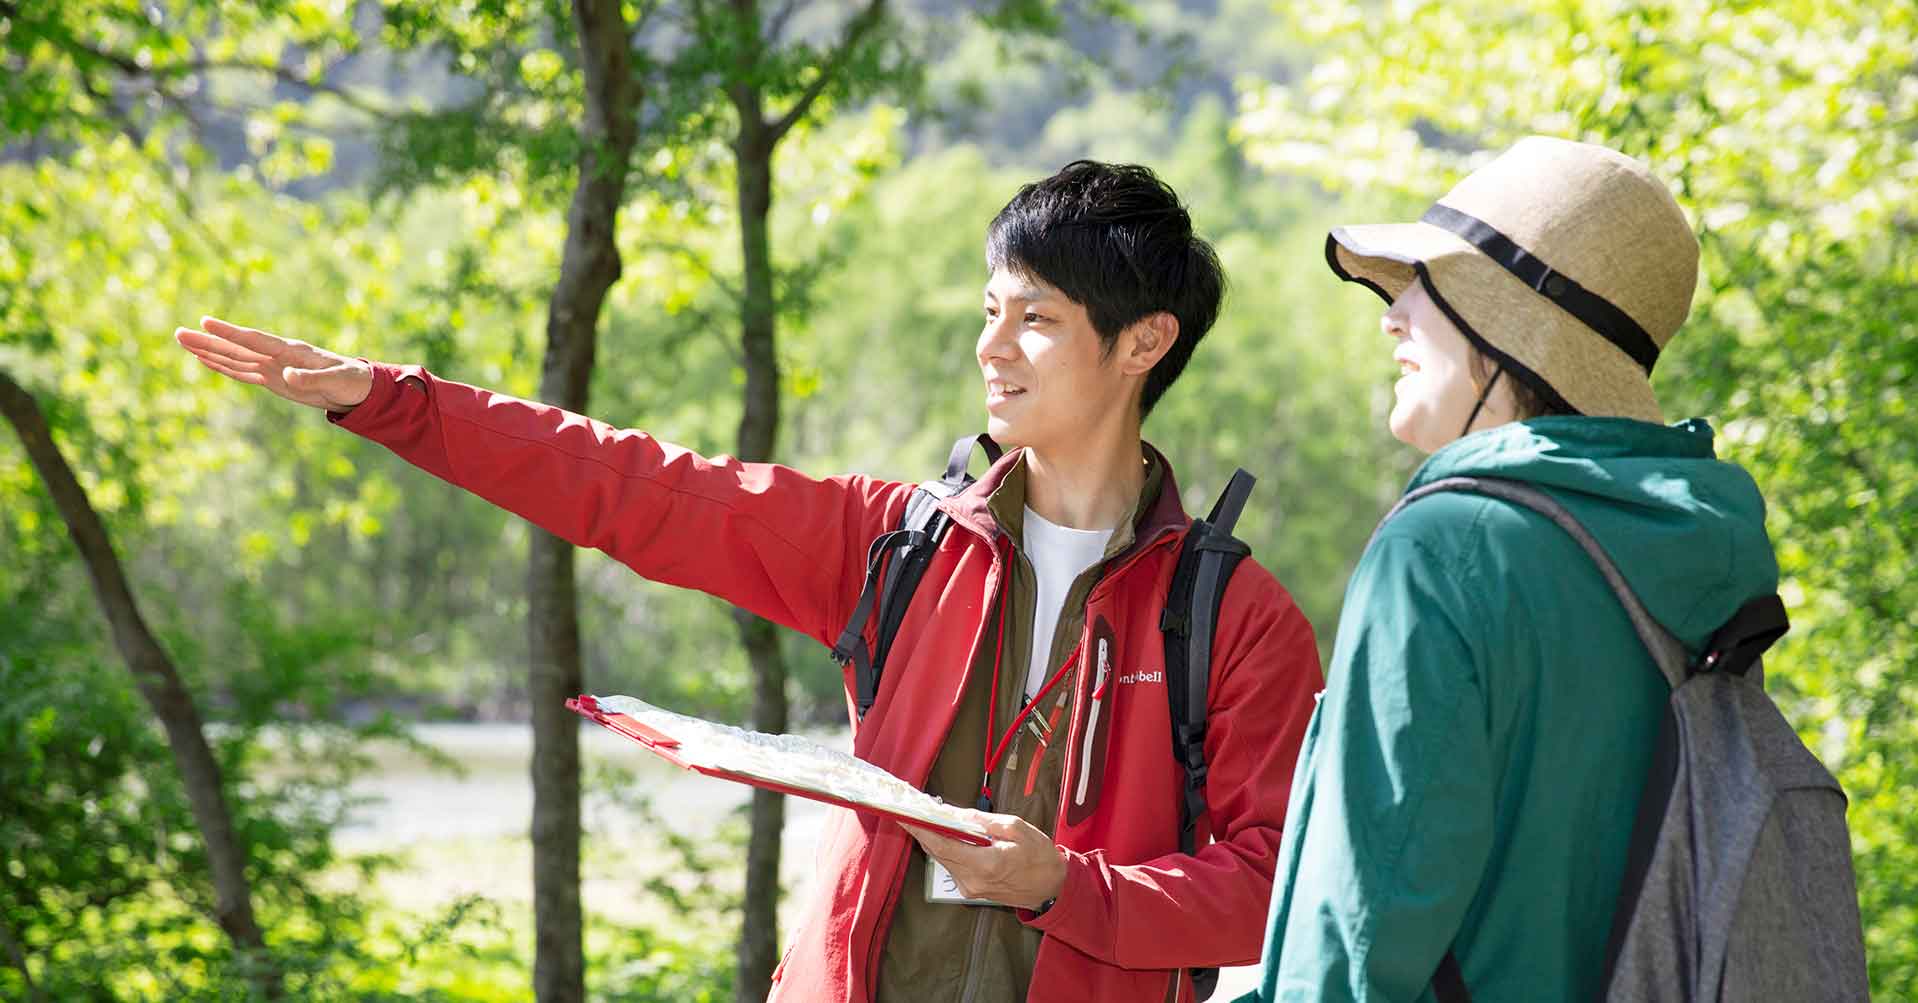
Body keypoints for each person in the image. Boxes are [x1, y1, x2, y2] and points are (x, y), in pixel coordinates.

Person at [175, 160, 1323, 1003]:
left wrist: (1064, 885)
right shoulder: (897, 545)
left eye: (1036, 321)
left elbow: (1266, 883)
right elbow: (633, 487)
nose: (990, 347)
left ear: (1142, 344)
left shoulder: (1235, 621)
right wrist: (393, 402)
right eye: (988, 312)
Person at [1235, 137, 1781, 1001]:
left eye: (1431, 285)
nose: (1392, 314)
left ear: (1511, 330)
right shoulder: (1685, 561)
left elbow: (1359, 935)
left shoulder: (1449, 548)